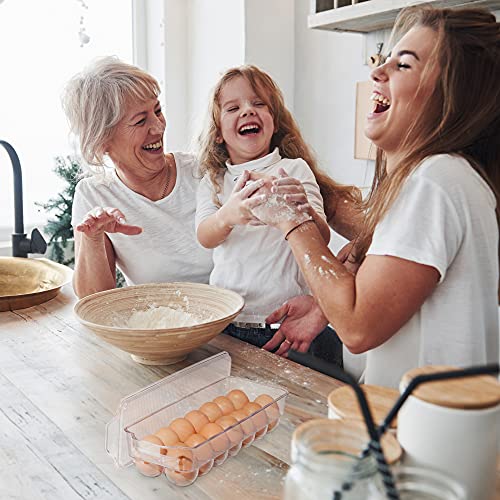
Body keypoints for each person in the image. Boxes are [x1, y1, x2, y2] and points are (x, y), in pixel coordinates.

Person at [255, 5, 500, 387]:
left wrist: (293, 219)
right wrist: (326, 305)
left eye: (403, 65)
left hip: (424, 436)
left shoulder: (435, 181)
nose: (376, 71)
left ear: (454, 95)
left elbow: (358, 325)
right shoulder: (445, 179)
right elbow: (385, 288)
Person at [195, 65, 361, 365]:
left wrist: (302, 212)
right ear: (218, 133)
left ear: (275, 123)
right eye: (234, 107)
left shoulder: (295, 170)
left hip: (287, 321)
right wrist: (228, 215)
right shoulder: (215, 180)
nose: (248, 111)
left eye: (259, 104)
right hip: (228, 322)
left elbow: (321, 238)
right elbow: (205, 236)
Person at [63, 57, 213, 298]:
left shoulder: (203, 171)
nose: (159, 127)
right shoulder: (94, 195)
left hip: (234, 325)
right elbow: (95, 299)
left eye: (158, 111)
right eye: (141, 121)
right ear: (103, 142)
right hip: (158, 329)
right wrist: (92, 239)